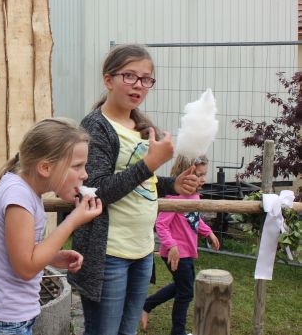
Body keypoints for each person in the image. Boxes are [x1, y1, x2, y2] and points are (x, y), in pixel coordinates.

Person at [67, 44, 199, 335]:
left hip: (142, 249)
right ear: (108, 79)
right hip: (109, 252)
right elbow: (95, 191)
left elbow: (142, 184)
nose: (138, 85)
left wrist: (173, 184)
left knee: (128, 331)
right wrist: (150, 163)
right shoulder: (96, 126)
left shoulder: (141, 126)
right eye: (129, 76)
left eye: (146, 79)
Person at [0, 118, 103, 335]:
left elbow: (17, 253)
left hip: (4, 320)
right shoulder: (19, 197)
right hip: (2, 324)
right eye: (77, 166)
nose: (85, 174)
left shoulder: (22, 188)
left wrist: (52, 257)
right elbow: (26, 269)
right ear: (45, 167)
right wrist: (71, 221)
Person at [140, 155, 220, 335]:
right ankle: (178, 332)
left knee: (182, 286)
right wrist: (172, 245)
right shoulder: (174, 197)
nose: (203, 179)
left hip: (187, 252)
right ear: (185, 174)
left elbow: (194, 219)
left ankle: (147, 305)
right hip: (175, 254)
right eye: (199, 175)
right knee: (186, 292)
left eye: (204, 174)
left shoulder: (194, 196)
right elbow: (161, 224)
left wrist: (208, 232)